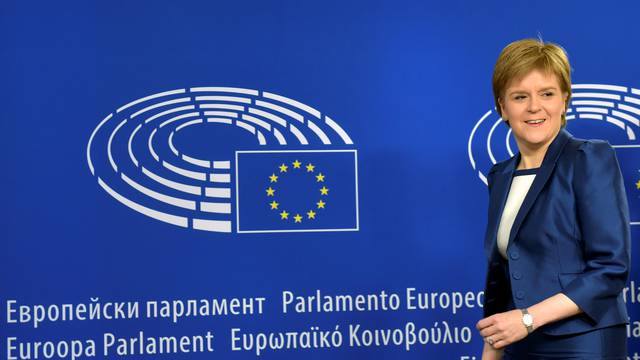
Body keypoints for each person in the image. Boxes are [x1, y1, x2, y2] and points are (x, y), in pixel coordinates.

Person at [476, 38, 631, 359]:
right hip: (519, 341)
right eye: (520, 97)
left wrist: (528, 319)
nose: (534, 107)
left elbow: (609, 270)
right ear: (503, 108)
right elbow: (503, 278)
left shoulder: (588, 158)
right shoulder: (500, 175)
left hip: (584, 340)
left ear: (564, 100)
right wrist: (493, 346)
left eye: (546, 94)